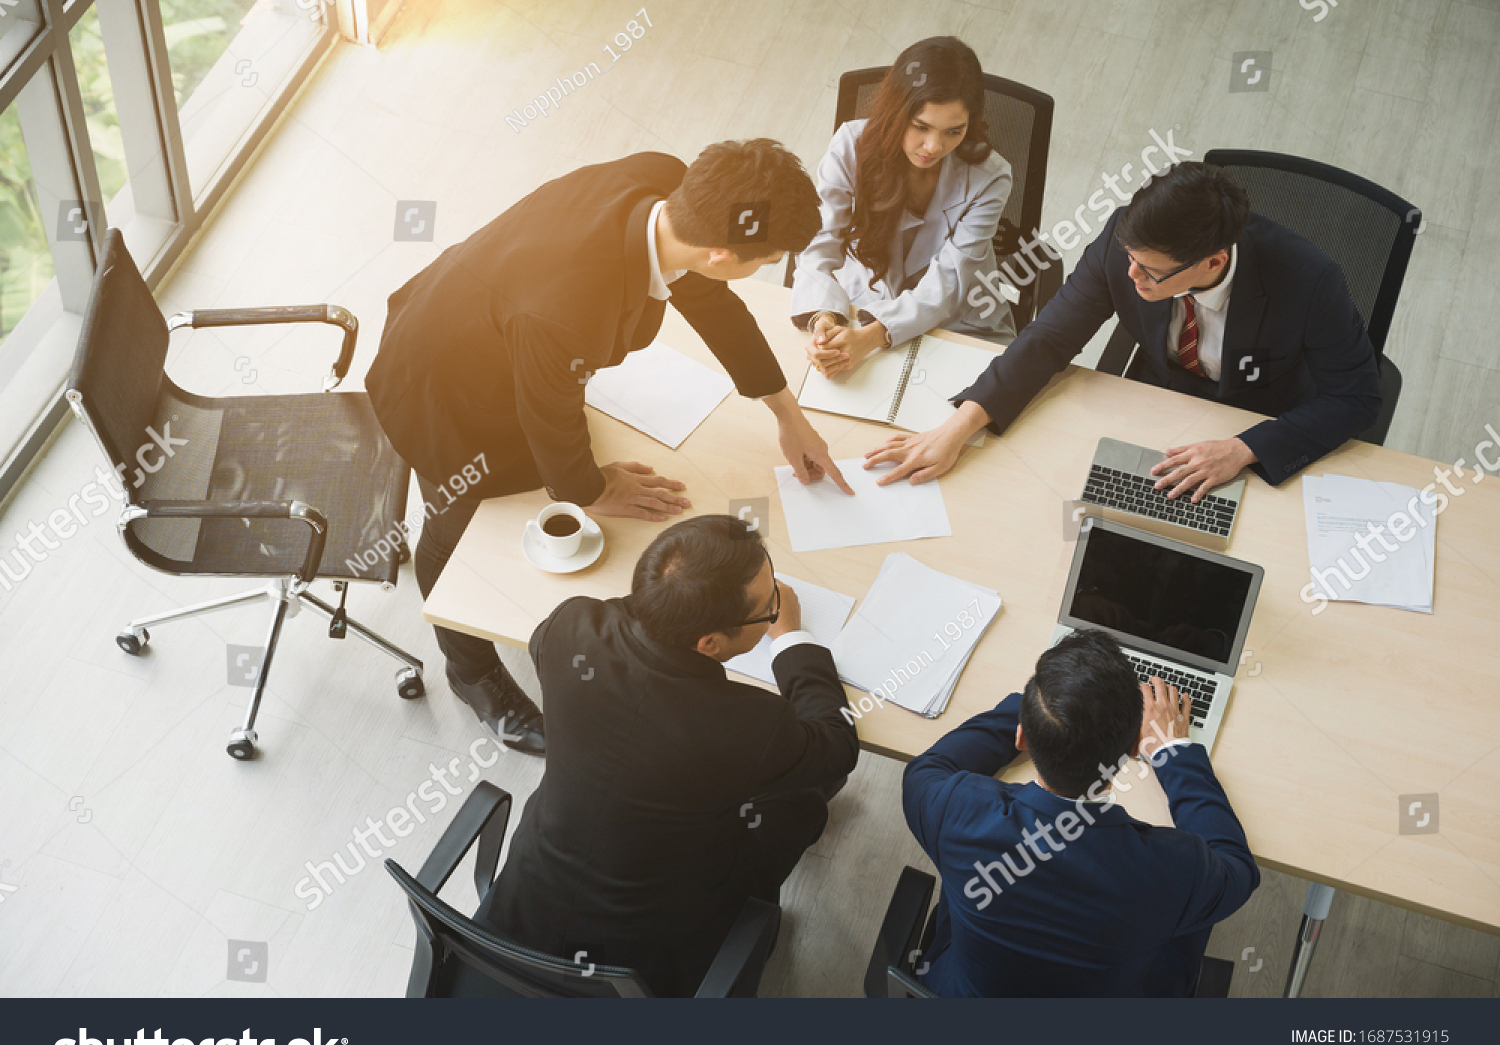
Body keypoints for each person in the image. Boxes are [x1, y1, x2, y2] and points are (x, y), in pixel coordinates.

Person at [366, 140, 852, 756]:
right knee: (454, 525)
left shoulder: (668, 186)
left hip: (499, 332)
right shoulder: (568, 311)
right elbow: (548, 414)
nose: (770, 266)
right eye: (770, 258)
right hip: (443, 388)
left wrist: (788, 413)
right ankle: (468, 670)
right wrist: (592, 488)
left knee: (555, 419)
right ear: (722, 251)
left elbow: (710, 301)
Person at [480, 515, 857, 996]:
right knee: (803, 801)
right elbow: (836, 742)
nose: (775, 608)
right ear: (710, 644)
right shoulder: (747, 725)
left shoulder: (569, 626)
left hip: (530, 893)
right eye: (768, 608)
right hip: (652, 940)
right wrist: (788, 637)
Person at [865, 160, 1383, 500]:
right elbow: (1050, 337)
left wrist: (1244, 447)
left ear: (1211, 262)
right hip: (1156, 403)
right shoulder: (1125, 239)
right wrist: (957, 428)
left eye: (1150, 272)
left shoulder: (1311, 280)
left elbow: (1357, 397)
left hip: (1256, 421)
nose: (1131, 276)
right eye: (1130, 260)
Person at [902, 629, 1259, 996]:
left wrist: (1047, 705)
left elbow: (930, 767)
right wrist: (1174, 752)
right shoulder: (1170, 869)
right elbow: (1236, 867)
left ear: (1021, 737)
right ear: (1136, 745)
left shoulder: (957, 810)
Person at [791, 36, 1015, 380]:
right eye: (920, 127)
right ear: (896, 113)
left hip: (956, 323)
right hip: (860, 305)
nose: (934, 146)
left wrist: (874, 336)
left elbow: (948, 284)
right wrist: (823, 318)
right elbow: (819, 240)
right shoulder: (850, 145)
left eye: (954, 131)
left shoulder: (991, 177)